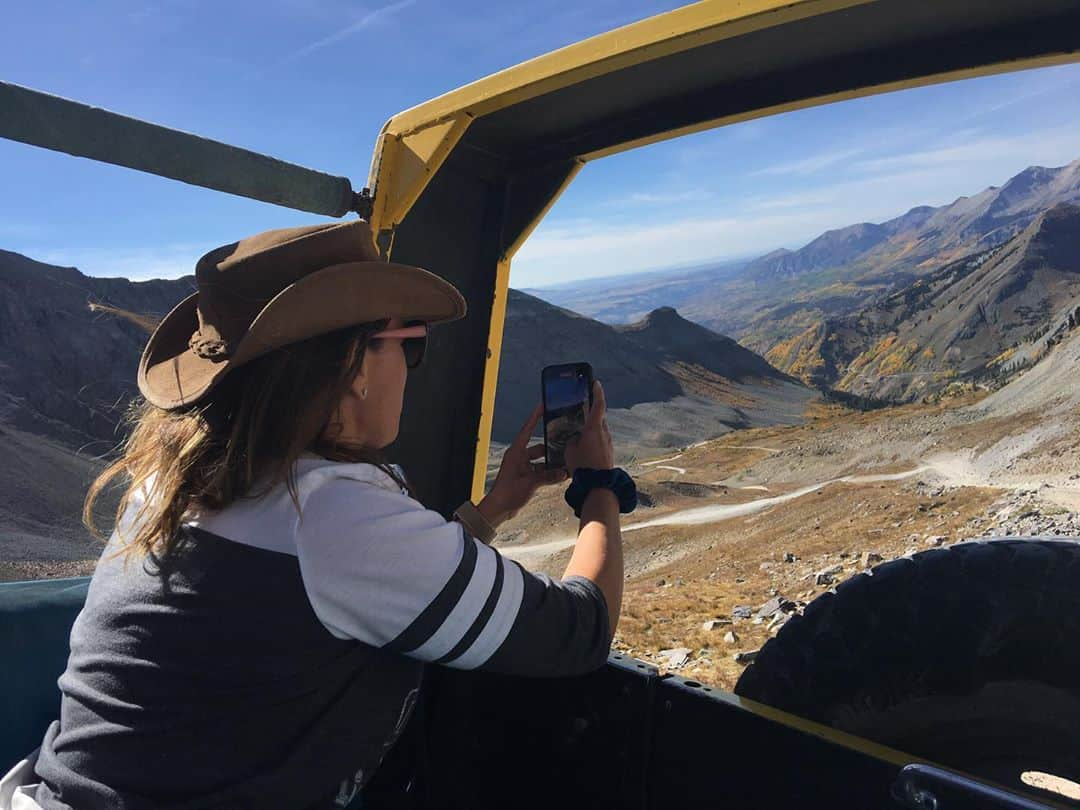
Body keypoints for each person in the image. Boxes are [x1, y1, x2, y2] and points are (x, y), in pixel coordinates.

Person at [0, 221, 632, 809]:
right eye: (411, 346)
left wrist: (494, 507)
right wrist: (598, 484)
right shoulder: (330, 509)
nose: (411, 370)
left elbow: (336, 587)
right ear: (356, 364)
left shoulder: (173, 480)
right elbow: (581, 628)